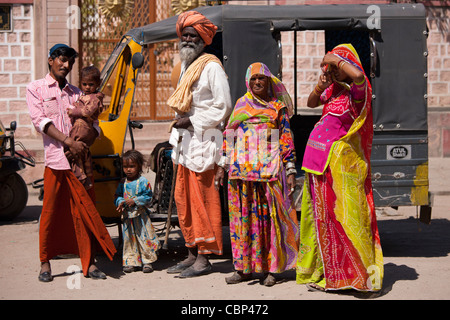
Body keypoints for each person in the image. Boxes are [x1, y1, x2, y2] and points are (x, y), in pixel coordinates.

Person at [296, 44, 383, 292]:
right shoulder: (333, 90)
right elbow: (312, 103)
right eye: (329, 68)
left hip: (342, 167)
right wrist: (322, 84)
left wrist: (333, 57)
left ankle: (360, 279)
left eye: (336, 67)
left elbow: (357, 75)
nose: (332, 70)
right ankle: (331, 276)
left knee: (349, 219)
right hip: (317, 163)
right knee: (323, 221)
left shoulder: (356, 92)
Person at [26, 44, 116, 282]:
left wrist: (84, 142)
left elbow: (95, 125)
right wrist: (68, 142)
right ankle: (45, 263)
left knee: (85, 212)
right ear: (50, 60)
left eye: (69, 62)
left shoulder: (79, 93)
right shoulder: (36, 88)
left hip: (80, 163)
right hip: (56, 161)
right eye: (62, 60)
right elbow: (40, 122)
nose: (65, 65)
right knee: (50, 213)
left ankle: (90, 263)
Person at [215, 62, 300, 286]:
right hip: (241, 174)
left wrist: (290, 169)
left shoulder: (277, 107)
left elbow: (286, 138)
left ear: (269, 81)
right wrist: (222, 166)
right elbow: (229, 135)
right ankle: (243, 268)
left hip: (269, 173)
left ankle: (272, 269)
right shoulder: (241, 105)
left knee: (269, 221)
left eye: (261, 78)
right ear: (247, 82)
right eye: (253, 79)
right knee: (242, 221)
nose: (257, 82)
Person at [166, 10, 232, 278]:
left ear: (204, 40)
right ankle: (191, 253)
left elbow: (224, 106)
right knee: (184, 200)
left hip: (204, 141)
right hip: (184, 144)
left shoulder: (212, 67)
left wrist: (192, 122)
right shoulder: (185, 64)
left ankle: (204, 259)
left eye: (194, 36)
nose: (188, 40)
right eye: (185, 35)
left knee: (203, 201)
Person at [115, 150, 160, 273]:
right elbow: (118, 196)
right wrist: (120, 202)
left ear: (139, 166)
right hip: (127, 218)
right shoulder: (122, 183)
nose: (128, 170)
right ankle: (131, 262)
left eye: (131, 166)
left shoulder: (143, 182)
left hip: (141, 217)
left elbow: (148, 197)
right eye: (125, 167)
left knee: (144, 238)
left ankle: (147, 262)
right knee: (129, 239)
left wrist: (135, 200)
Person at [66, 65, 105, 190]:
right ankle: (86, 176)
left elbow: (88, 112)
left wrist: (74, 112)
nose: (87, 87)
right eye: (84, 84)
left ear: (98, 84)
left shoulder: (95, 98)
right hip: (82, 127)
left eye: (91, 84)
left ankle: (81, 176)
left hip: (82, 127)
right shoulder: (84, 95)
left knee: (72, 150)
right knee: (83, 152)